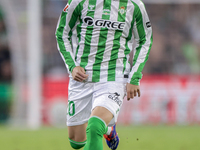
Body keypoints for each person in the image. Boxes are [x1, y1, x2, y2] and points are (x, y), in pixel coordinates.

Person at [56, 0, 153, 149]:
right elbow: (62, 34)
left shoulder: (134, 5)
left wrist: (134, 76)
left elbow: (144, 40)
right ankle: (108, 129)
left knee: (94, 126)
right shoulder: (79, 2)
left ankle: (102, 126)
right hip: (82, 77)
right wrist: (72, 66)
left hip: (114, 76)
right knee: (76, 142)